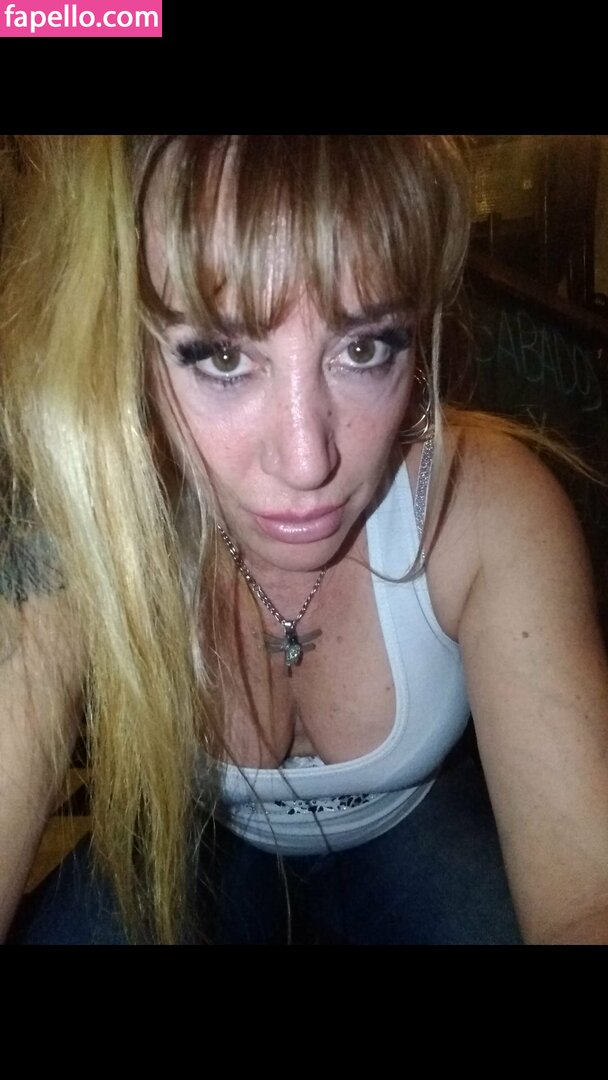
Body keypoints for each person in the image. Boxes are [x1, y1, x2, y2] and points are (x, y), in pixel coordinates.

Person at [1, 134, 607, 946]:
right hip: (201, 841)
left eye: (363, 347)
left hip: (412, 825)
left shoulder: (486, 508)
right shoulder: (85, 526)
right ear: (122, 345)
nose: (306, 460)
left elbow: (584, 898)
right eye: (221, 355)